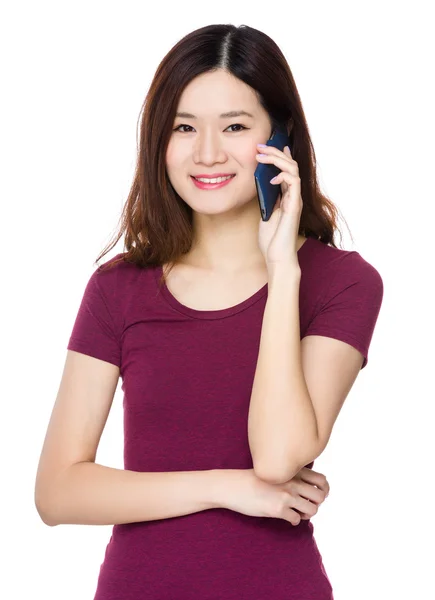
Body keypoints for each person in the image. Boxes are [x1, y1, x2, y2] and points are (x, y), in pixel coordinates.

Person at [34, 23, 384, 599]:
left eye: (236, 127)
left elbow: (277, 458)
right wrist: (227, 487)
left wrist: (283, 272)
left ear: (281, 139)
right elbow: (58, 492)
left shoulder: (342, 283)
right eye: (184, 127)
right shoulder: (118, 289)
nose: (207, 153)